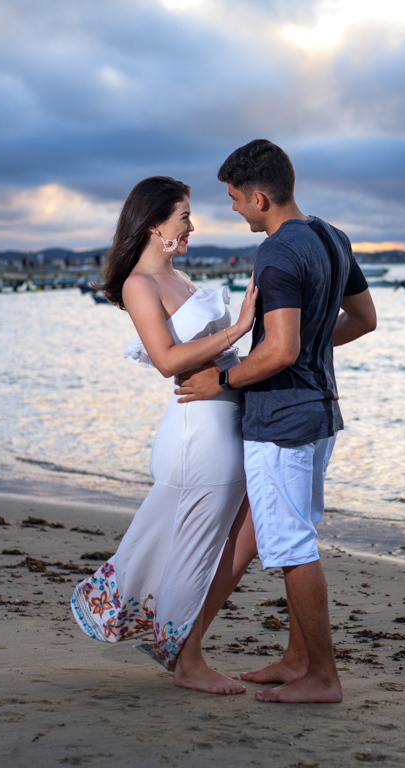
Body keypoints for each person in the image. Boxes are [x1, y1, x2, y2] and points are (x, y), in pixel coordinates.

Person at [177, 139, 377, 703]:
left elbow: (281, 351)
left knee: (291, 546)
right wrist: (306, 345)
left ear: (260, 197)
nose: (234, 209)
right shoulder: (332, 238)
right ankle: (298, 658)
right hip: (320, 412)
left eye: (236, 199)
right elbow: (363, 319)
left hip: (282, 419)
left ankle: (323, 677)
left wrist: (222, 379)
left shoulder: (277, 252)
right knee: (297, 536)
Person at [70, 176, 262, 695]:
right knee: (196, 548)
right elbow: (166, 361)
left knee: (233, 538)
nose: (192, 225)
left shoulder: (181, 278)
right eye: (184, 216)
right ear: (155, 224)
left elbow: (218, 359)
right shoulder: (141, 284)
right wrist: (238, 327)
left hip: (226, 423)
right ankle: (189, 663)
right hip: (196, 435)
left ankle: (177, 644)